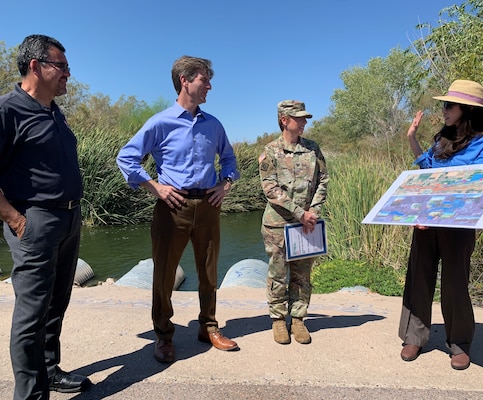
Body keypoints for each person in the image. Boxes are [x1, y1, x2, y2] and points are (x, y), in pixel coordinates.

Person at [116, 55, 240, 363]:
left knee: (209, 273)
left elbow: (230, 161)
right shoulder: (160, 122)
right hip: (173, 208)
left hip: (209, 207)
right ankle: (164, 335)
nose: (209, 86)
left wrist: (225, 185)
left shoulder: (214, 124)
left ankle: (209, 327)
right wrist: (155, 187)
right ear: (184, 80)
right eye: (204, 80)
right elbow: (126, 158)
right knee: (164, 275)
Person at [0, 34, 91, 398]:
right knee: (31, 314)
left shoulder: (54, 111)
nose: (68, 73)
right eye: (62, 66)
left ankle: (50, 371)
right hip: (34, 221)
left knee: (56, 304)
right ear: (36, 66)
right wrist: (15, 219)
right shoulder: (8, 110)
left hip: (69, 219)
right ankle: (31, 394)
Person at [399, 80, 483, 370]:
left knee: (455, 283)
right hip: (427, 221)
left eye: (449, 105)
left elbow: (479, 183)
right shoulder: (440, 140)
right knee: (419, 277)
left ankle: (459, 344)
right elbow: (427, 173)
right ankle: (414, 337)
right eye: (444, 104)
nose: (443, 110)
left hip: (459, 224)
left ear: (466, 110)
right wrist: (412, 138)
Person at [258, 100, 329, 345]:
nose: (304, 122)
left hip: (307, 224)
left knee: (302, 274)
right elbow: (270, 188)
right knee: (278, 273)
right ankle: (278, 320)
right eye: (299, 118)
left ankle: (298, 319)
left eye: (304, 118)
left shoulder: (312, 149)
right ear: (284, 120)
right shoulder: (271, 151)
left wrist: (314, 212)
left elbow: (323, 181)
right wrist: (300, 212)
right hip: (279, 224)